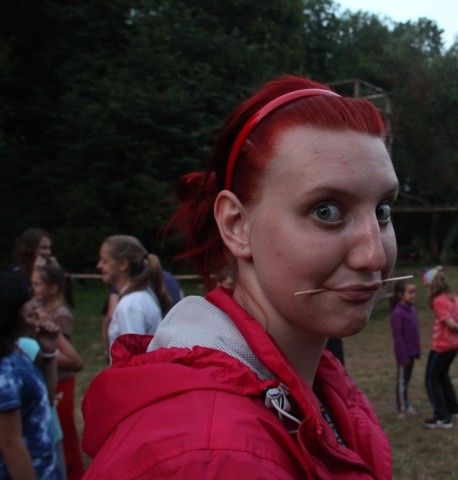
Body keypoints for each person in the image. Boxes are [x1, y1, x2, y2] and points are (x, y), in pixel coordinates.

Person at [81, 75, 397, 478]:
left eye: (382, 210)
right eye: (326, 211)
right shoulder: (213, 457)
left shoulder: (322, 384)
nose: (373, 255)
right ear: (235, 225)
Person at [0, 270, 62, 479]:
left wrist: (49, 352)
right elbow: (10, 445)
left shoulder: (16, 351)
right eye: (28, 299)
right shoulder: (5, 369)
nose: (35, 305)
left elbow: (48, 399)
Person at [31, 264, 85, 480]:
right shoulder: (44, 310)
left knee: (64, 433)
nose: (32, 288)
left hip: (60, 381)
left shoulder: (60, 315)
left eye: (36, 284)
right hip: (51, 379)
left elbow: (67, 356)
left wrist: (37, 352)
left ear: (52, 288)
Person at [96, 235, 173, 353]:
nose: (99, 265)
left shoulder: (130, 305)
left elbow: (133, 356)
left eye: (105, 261)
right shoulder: (141, 296)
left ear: (123, 265)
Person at [423, 267, 458, 429]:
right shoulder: (455, 298)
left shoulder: (439, 300)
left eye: (428, 286)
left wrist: (457, 327)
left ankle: (442, 417)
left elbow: (449, 322)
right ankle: (455, 409)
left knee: (431, 379)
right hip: (454, 346)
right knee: (443, 377)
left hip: (441, 347)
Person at [389, 279, 421, 416]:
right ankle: (402, 407)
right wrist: (403, 356)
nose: (413, 295)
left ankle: (406, 404)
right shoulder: (397, 313)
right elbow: (398, 337)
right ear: (400, 294)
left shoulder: (412, 310)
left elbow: (415, 332)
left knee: (407, 380)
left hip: (412, 352)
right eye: (410, 292)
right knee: (402, 381)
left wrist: (416, 351)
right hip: (404, 355)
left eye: (414, 292)